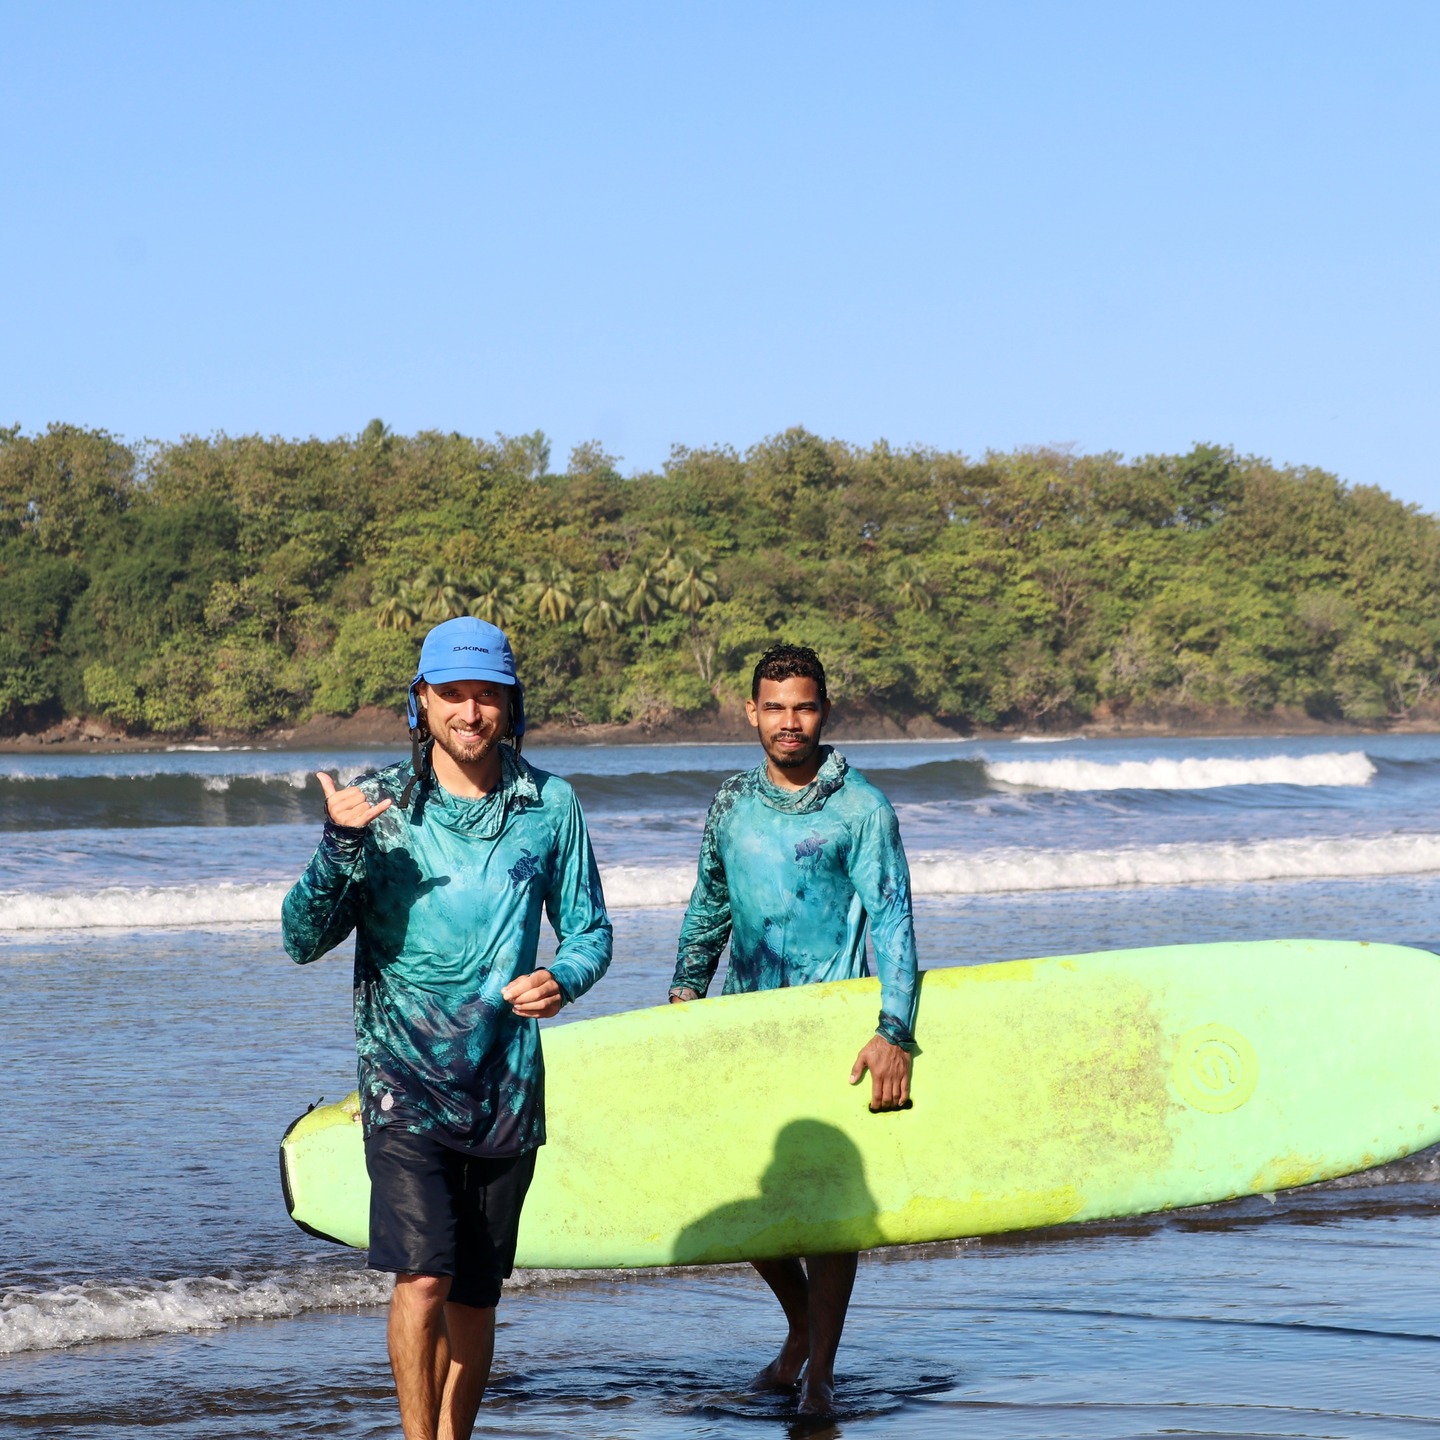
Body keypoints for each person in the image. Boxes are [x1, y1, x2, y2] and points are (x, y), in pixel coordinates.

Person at [282, 617, 612, 1440]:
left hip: (505, 1086)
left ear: (510, 704)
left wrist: (563, 978)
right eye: (452, 694)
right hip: (403, 1086)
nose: (471, 711)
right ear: (420, 701)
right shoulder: (376, 806)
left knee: (474, 1295)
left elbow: (591, 931)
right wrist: (337, 846)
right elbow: (300, 939)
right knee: (422, 1279)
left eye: (487, 695)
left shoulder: (549, 804)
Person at [668, 642, 919, 1417]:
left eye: (803, 706)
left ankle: (819, 1374)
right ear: (751, 712)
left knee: (829, 1209)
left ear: (825, 711)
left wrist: (895, 1032)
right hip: (744, 1023)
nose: (789, 722)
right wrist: (684, 992)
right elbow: (708, 904)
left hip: (832, 1028)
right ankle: (803, 1327)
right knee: (737, 1196)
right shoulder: (732, 802)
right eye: (773, 707)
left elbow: (896, 923)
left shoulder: (863, 808)